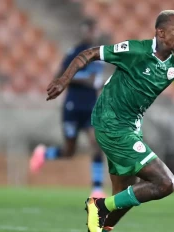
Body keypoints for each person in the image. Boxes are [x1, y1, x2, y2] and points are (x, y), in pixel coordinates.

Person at [45, 10, 174, 232]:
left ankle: (100, 226)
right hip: (110, 122)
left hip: (130, 127)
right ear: (161, 33)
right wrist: (64, 80)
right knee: (166, 183)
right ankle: (98, 205)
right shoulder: (135, 50)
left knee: (125, 195)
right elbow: (89, 53)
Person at [29, 19, 107, 198]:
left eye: (94, 30)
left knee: (96, 143)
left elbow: (95, 81)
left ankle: (97, 189)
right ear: (84, 31)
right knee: (69, 151)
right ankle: (44, 153)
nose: (91, 34)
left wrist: (102, 84)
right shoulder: (75, 53)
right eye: (88, 30)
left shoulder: (99, 55)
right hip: (73, 105)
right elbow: (59, 76)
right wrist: (84, 80)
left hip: (91, 107)